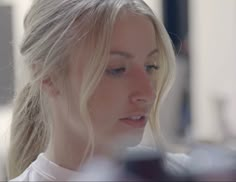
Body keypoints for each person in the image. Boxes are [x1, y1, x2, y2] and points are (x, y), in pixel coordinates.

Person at [7, 0, 187, 181]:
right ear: (48, 76)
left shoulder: (184, 173)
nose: (148, 94)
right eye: (116, 69)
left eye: (151, 67)